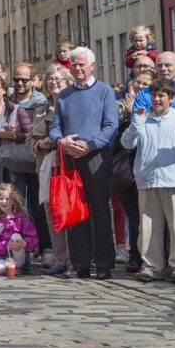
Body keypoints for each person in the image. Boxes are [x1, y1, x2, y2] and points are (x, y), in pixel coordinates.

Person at [47, 47, 119, 279]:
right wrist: (62, 140)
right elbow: (55, 127)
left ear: (91, 66)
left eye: (81, 65)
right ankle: (80, 264)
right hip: (70, 159)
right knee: (76, 213)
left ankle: (104, 264)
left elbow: (111, 126)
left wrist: (90, 145)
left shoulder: (104, 91)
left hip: (96, 158)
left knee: (99, 211)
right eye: (74, 65)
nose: (77, 69)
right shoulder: (65, 95)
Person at [122, 78, 175, 284]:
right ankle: (151, 266)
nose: (156, 99)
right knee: (148, 228)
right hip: (147, 180)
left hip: (174, 180)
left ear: (172, 99)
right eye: (154, 95)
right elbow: (127, 143)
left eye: (161, 95)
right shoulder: (143, 118)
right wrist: (135, 125)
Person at [27, 66, 72, 274]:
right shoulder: (40, 109)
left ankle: (76, 258)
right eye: (50, 79)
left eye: (58, 79)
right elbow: (29, 141)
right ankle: (60, 259)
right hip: (46, 166)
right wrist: (40, 145)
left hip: (69, 166)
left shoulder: (73, 105)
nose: (54, 83)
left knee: (70, 213)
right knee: (51, 213)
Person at [4, 65, 47, 245]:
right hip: (14, 160)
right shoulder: (8, 99)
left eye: (24, 80)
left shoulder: (41, 101)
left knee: (39, 206)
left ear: (33, 80)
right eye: (16, 80)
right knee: (17, 205)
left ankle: (45, 246)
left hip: (34, 159)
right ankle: (20, 245)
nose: (19, 83)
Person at [0, 183, 37, 276]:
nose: (4, 201)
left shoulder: (22, 218)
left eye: (7, 199)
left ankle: (18, 266)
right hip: (2, 256)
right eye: (1, 198)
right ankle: (12, 269)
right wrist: (6, 246)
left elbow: (33, 238)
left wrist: (24, 243)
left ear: (14, 201)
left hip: (20, 255)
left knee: (16, 236)